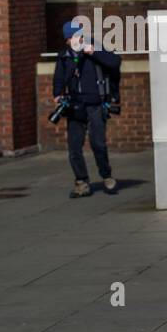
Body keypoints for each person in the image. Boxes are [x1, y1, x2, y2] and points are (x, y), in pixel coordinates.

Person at [53, 19, 122, 198]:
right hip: (75, 105)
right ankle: (82, 182)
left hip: (96, 104)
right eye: (75, 36)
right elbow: (59, 78)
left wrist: (94, 53)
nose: (80, 39)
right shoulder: (65, 57)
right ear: (67, 39)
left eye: (81, 35)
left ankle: (107, 176)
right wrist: (57, 93)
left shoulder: (95, 48)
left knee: (98, 143)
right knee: (74, 148)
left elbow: (115, 62)